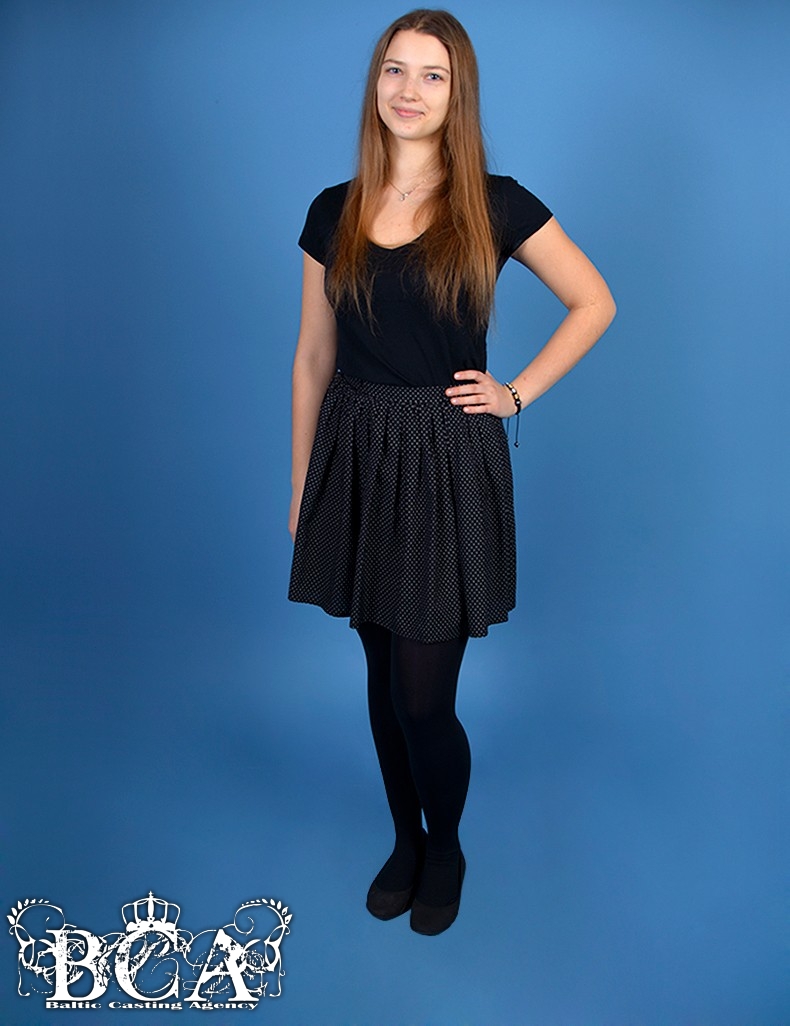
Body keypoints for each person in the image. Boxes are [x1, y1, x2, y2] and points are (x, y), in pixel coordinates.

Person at [288, 8, 615, 936]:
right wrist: (302, 486)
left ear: (457, 94)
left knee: (423, 694)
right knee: (381, 676)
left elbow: (594, 301)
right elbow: (312, 359)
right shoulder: (332, 209)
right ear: (375, 84)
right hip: (355, 452)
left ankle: (447, 847)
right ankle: (403, 838)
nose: (409, 90)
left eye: (432, 75)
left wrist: (516, 393)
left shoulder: (494, 203)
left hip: (443, 459)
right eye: (395, 70)